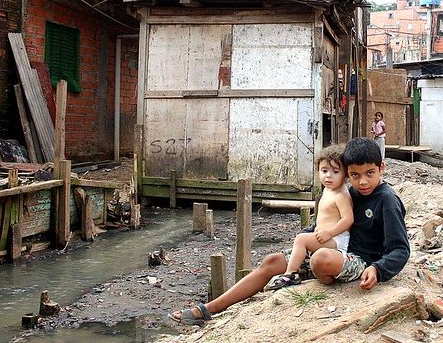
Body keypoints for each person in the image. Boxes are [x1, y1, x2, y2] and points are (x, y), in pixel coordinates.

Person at [170, 137, 410, 326]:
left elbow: (400, 249)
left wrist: (378, 269)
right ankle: (209, 309)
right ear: (348, 174)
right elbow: (324, 224)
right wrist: (306, 236)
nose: (363, 181)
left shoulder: (387, 201)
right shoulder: (350, 192)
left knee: (320, 259)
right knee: (272, 260)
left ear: (381, 168)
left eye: (370, 174)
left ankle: (317, 273)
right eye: (355, 175)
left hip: (360, 260)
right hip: (335, 248)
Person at [264, 145, 354, 290]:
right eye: (324, 171)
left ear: (346, 175)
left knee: (301, 239)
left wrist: (329, 233)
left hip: (337, 240)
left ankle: (291, 273)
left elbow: (348, 219)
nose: (328, 176)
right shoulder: (328, 190)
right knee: (303, 240)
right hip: (326, 237)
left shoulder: (341, 195)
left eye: (336, 172)